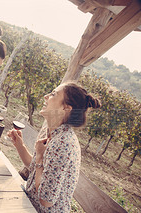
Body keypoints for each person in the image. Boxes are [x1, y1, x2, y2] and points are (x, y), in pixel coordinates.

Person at [8, 82, 101, 212]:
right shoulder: (51, 130)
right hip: (28, 204)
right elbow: (35, 168)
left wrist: (40, 156)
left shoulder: (63, 143)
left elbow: (46, 201)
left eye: (53, 94)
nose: (46, 96)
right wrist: (19, 145)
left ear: (66, 108)